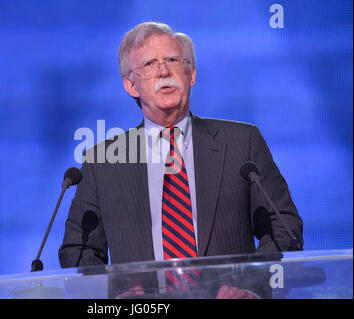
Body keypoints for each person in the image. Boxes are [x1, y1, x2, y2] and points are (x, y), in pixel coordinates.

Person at [58, 22, 303, 298]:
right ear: (130, 85)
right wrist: (117, 295)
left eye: (173, 60)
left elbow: (283, 225)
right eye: (149, 64)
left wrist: (250, 286)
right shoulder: (102, 161)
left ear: (191, 74)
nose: (163, 71)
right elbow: (78, 251)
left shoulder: (242, 142)